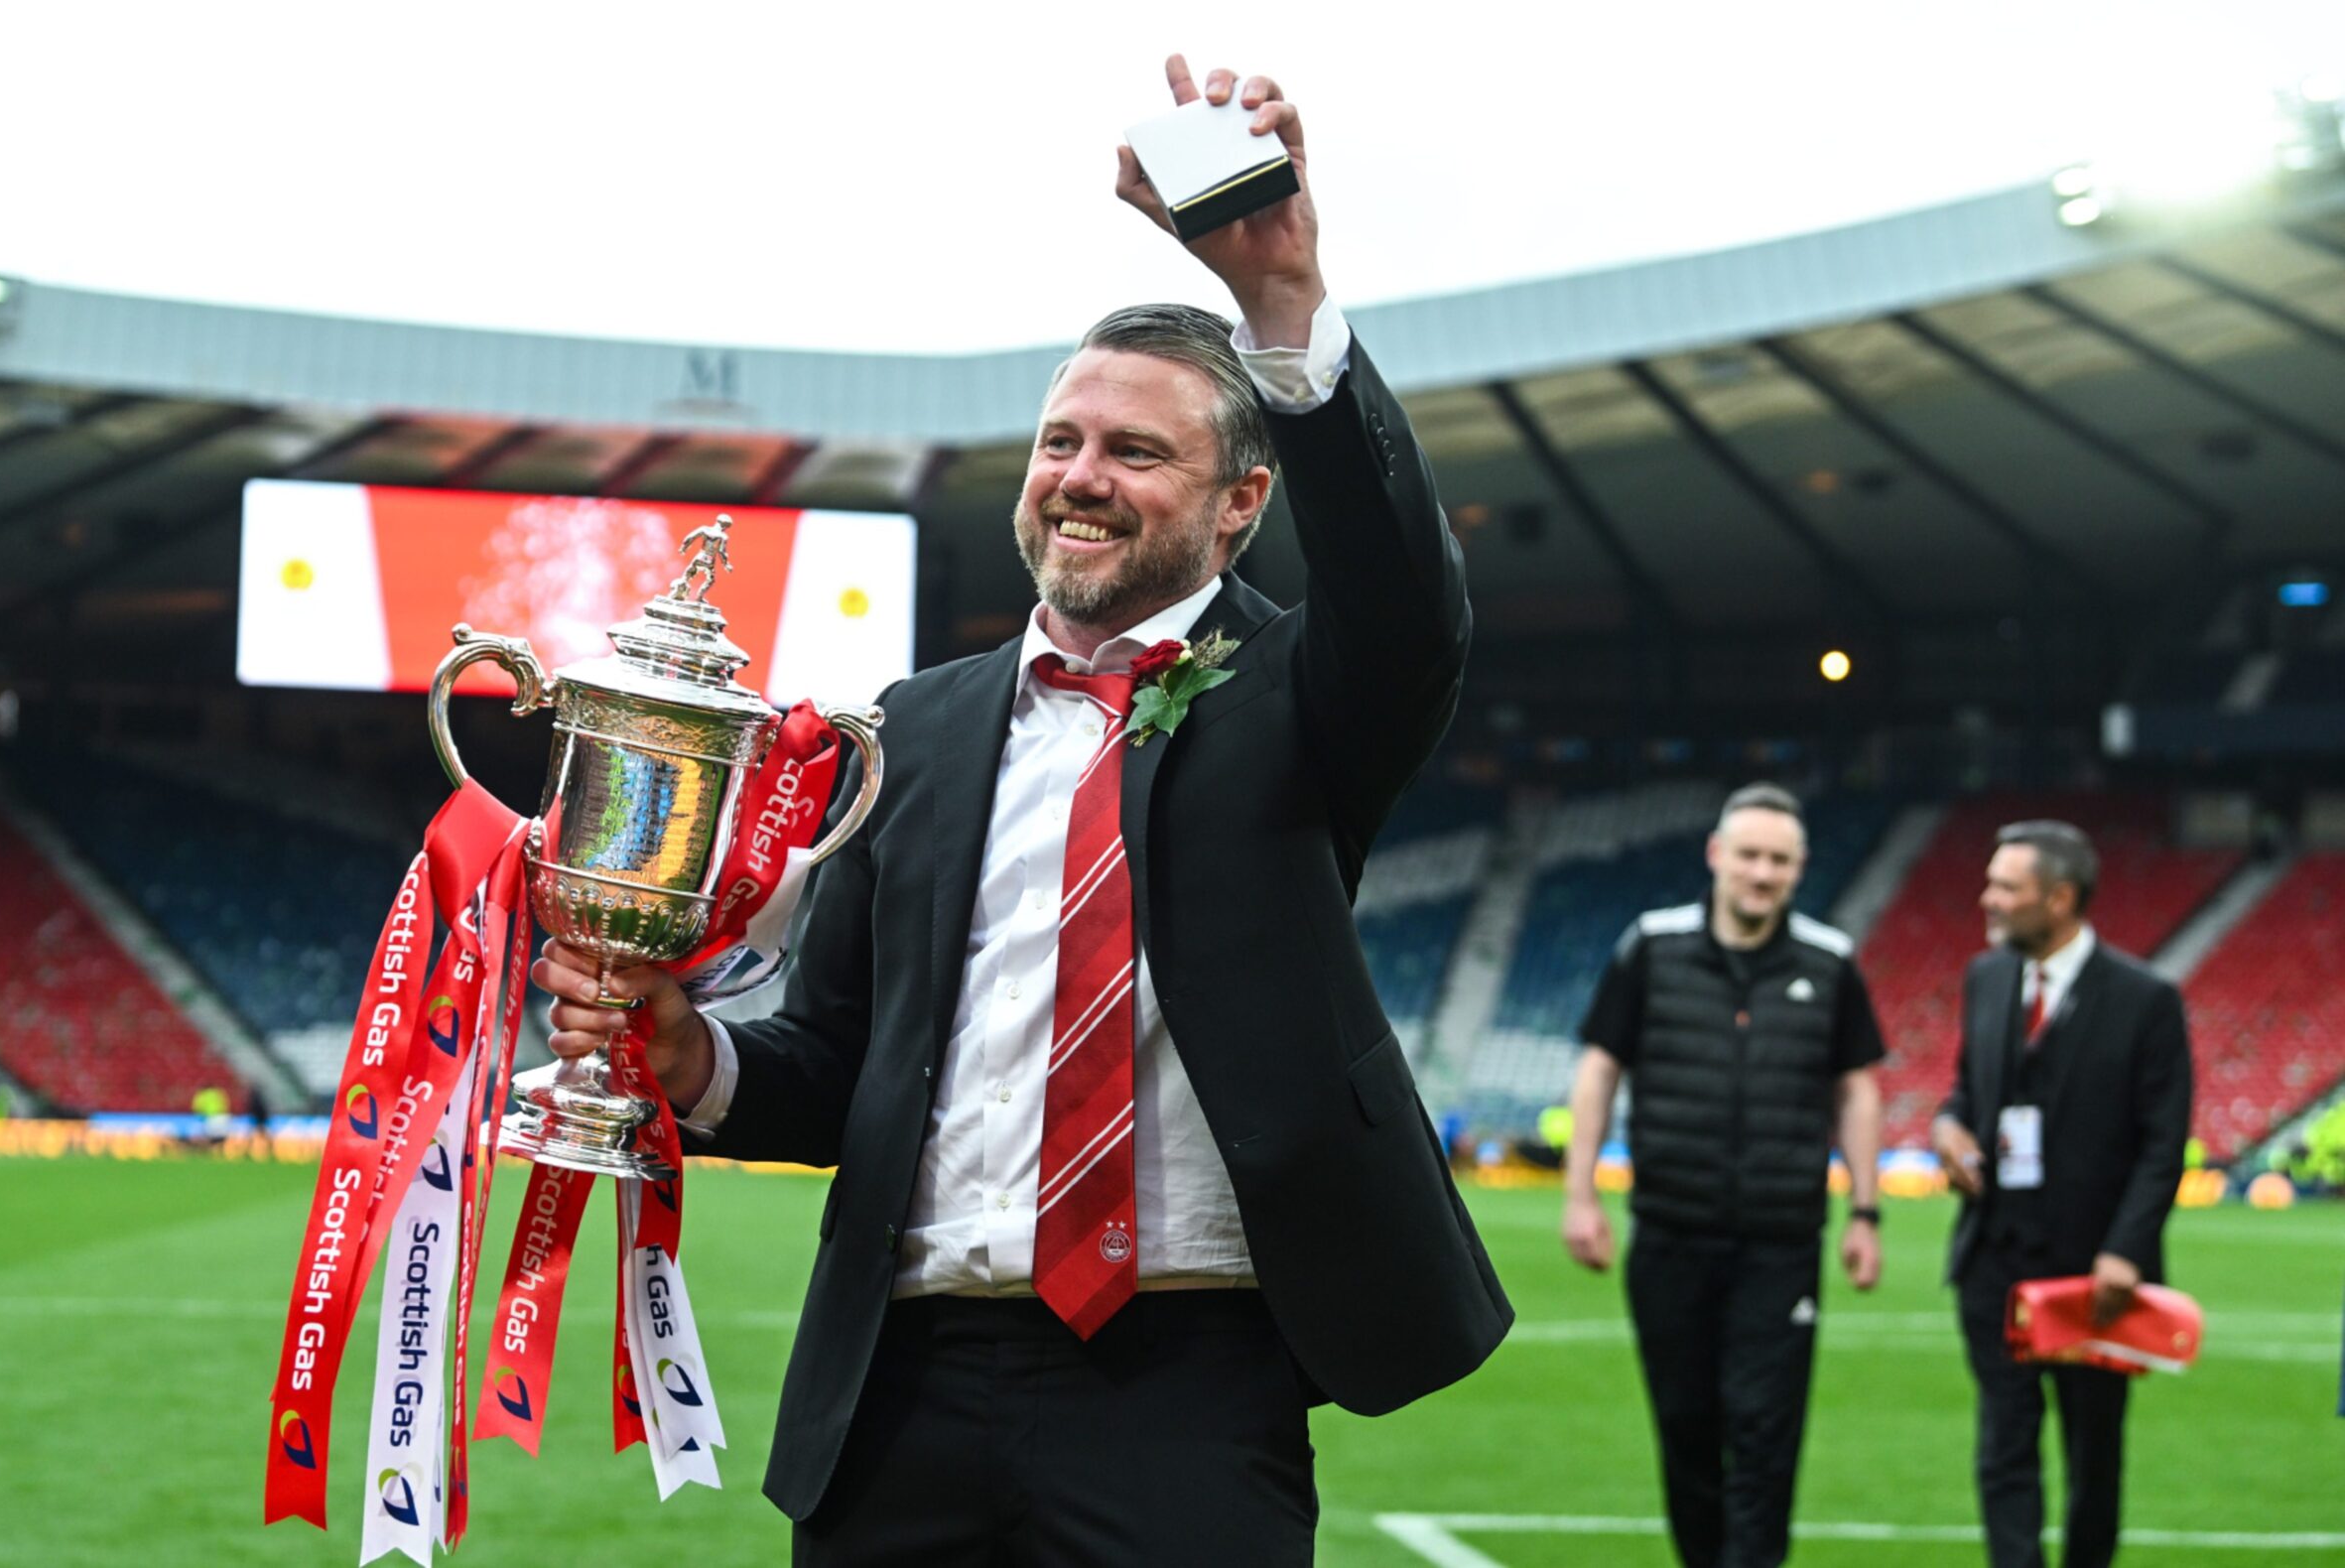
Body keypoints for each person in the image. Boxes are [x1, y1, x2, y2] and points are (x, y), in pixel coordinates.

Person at [534, 56, 1510, 1565]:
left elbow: (1404, 607)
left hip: (1187, 1380)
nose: (1082, 478)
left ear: (1240, 502)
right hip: (902, 1386)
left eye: (1136, 451)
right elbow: (838, 1062)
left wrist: (1286, 308)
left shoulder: (1295, 694)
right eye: (1062, 441)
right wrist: (697, 1056)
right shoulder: (911, 731)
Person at [1560, 782, 1887, 1568]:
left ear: (1800, 869)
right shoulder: (1652, 947)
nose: (1762, 873)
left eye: (1779, 860)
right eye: (1749, 855)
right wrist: (1581, 1195)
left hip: (1780, 1244)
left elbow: (1858, 1088)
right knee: (1687, 1429)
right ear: (1716, 855)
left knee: (1767, 1432)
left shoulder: (1831, 962)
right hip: (1671, 1233)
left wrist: (1867, 1213)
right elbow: (1600, 1070)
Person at [1932, 820, 2193, 1568]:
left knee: (2093, 1457)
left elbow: (2161, 1145)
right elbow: (1963, 1089)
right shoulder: (1985, 977)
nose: (1987, 898)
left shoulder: (2146, 999)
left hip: (2094, 1276)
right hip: (1993, 1262)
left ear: (2060, 897)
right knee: (2003, 1445)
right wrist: (1949, 1130)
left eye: (2005, 887)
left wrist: (2124, 1253)